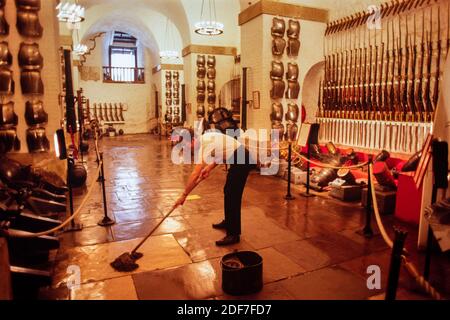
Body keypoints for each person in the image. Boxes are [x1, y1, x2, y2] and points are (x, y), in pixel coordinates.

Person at [174, 108, 256, 246]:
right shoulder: (206, 139)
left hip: (242, 160)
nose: (187, 149)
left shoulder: (204, 143)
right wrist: (209, 168)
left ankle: (233, 234)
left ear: (192, 139)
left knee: (232, 195)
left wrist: (184, 195)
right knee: (228, 191)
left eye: (187, 145)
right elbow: (220, 153)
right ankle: (229, 222)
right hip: (237, 158)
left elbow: (194, 174)